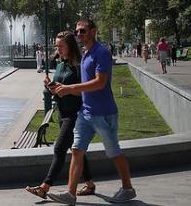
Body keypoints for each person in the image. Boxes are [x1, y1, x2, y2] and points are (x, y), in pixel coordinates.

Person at [47, 19, 136, 205]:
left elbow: (100, 83)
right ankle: (70, 194)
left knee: (114, 152)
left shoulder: (101, 53)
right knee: (76, 150)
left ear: (93, 31)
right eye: (77, 32)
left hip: (103, 113)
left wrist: (69, 88)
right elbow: (83, 85)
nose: (79, 35)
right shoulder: (86, 54)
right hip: (85, 113)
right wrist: (59, 88)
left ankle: (127, 188)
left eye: (83, 31)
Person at [25, 31, 96, 200]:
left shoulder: (80, 66)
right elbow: (59, 90)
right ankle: (90, 184)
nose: (58, 49)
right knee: (76, 150)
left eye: (61, 46)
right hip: (63, 113)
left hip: (76, 114)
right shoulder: (60, 64)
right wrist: (51, 87)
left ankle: (44, 187)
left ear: (70, 46)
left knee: (59, 148)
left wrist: (67, 90)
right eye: (57, 46)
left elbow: (87, 92)